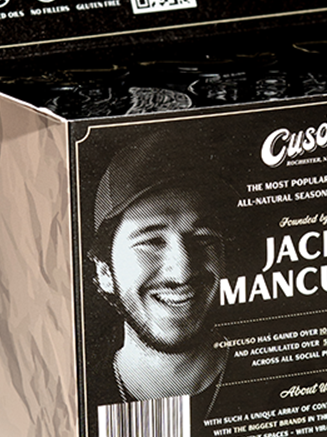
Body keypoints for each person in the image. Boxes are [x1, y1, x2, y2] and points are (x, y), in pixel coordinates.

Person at [89, 132, 229, 410]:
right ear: (104, 272)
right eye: (151, 241)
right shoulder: (79, 401)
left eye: (203, 238)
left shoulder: (278, 375)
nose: (182, 272)